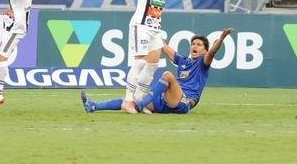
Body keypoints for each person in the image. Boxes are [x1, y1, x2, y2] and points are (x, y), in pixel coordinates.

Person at [87, 0, 208, 108]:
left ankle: (139, 100)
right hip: (140, 25)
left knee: (152, 65)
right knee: (140, 63)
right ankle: (128, 101)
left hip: (155, 29)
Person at [82, 28, 233, 114]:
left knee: (167, 75)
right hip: (166, 100)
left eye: (199, 44)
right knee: (129, 101)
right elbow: (163, 47)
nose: (194, 46)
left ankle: (141, 105)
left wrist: (221, 38)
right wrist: (152, 32)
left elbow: (212, 53)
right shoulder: (183, 61)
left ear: (204, 50)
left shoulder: (203, 62)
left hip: (184, 101)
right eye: (193, 43)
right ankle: (94, 106)